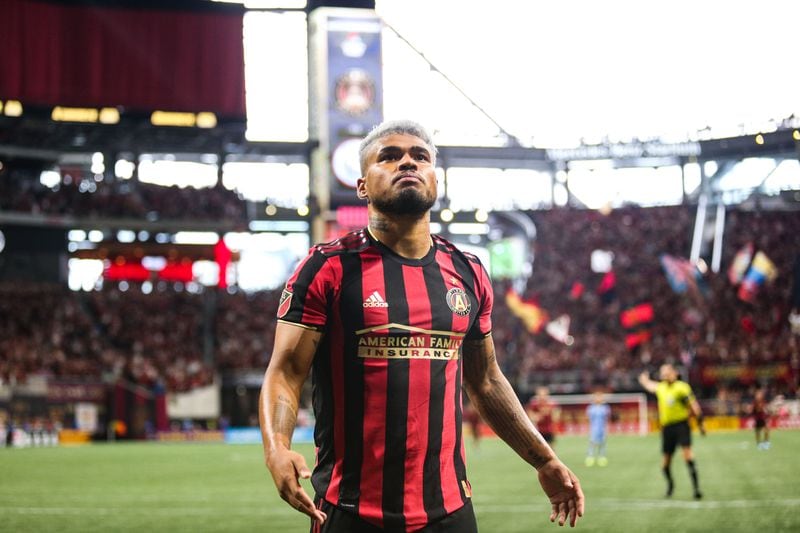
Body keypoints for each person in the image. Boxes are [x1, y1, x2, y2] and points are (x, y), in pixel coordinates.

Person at [259, 120, 584, 532]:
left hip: (449, 512)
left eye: (420, 156)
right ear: (362, 186)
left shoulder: (468, 272)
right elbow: (286, 372)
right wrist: (276, 448)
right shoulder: (326, 268)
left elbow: (485, 381)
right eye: (389, 156)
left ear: (435, 180)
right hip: (349, 511)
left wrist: (545, 459)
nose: (407, 162)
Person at [638, 364, 705, 499]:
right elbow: (648, 384)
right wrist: (643, 378)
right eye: (663, 373)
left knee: (687, 456)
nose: (665, 375)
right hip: (667, 428)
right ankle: (670, 486)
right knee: (665, 463)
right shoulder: (660, 387)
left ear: (674, 373)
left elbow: (694, 406)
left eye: (667, 372)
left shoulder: (682, 387)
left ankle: (696, 489)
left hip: (681, 425)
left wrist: (701, 425)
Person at [584, 391, 611, 467]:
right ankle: (590, 457)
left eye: (600, 397)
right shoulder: (591, 408)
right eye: (597, 397)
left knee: (602, 443)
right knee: (592, 443)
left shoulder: (605, 407)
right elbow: (588, 418)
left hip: (602, 428)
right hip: (594, 428)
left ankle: (601, 457)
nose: (598, 399)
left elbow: (607, 418)